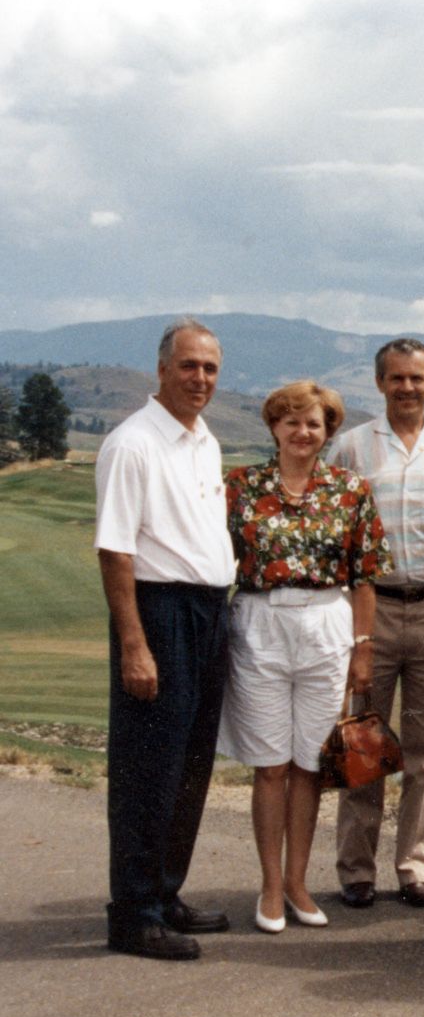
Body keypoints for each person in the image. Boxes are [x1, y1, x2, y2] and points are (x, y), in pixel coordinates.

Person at [217, 381, 390, 935]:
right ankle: (270, 885)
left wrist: (363, 650)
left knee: (309, 765)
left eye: (313, 423)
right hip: (260, 624)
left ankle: (298, 882)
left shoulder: (349, 489)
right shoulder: (239, 486)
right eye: (291, 421)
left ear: (328, 431)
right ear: (273, 426)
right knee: (270, 766)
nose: (302, 431)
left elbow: (364, 577)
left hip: (326, 627)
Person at [94, 318, 236, 960]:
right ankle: (134, 913)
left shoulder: (203, 440)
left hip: (209, 611)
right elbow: (116, 551)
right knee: (148, 766)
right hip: (159, 611)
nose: (200, 378)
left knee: (190, 762)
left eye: (209, 368)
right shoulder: (133, 444)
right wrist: (133, 643)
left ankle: (166, 891)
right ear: (161, 369)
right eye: (188, 366)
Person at [330, 338, 424, 910]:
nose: (406, 388)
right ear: (380, 383)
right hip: (373, 609)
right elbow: (336, 531)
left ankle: (415, 866)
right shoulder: (352, 449)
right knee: (362, 740)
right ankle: (356, 870)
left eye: (416, 378)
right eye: (396, 378)